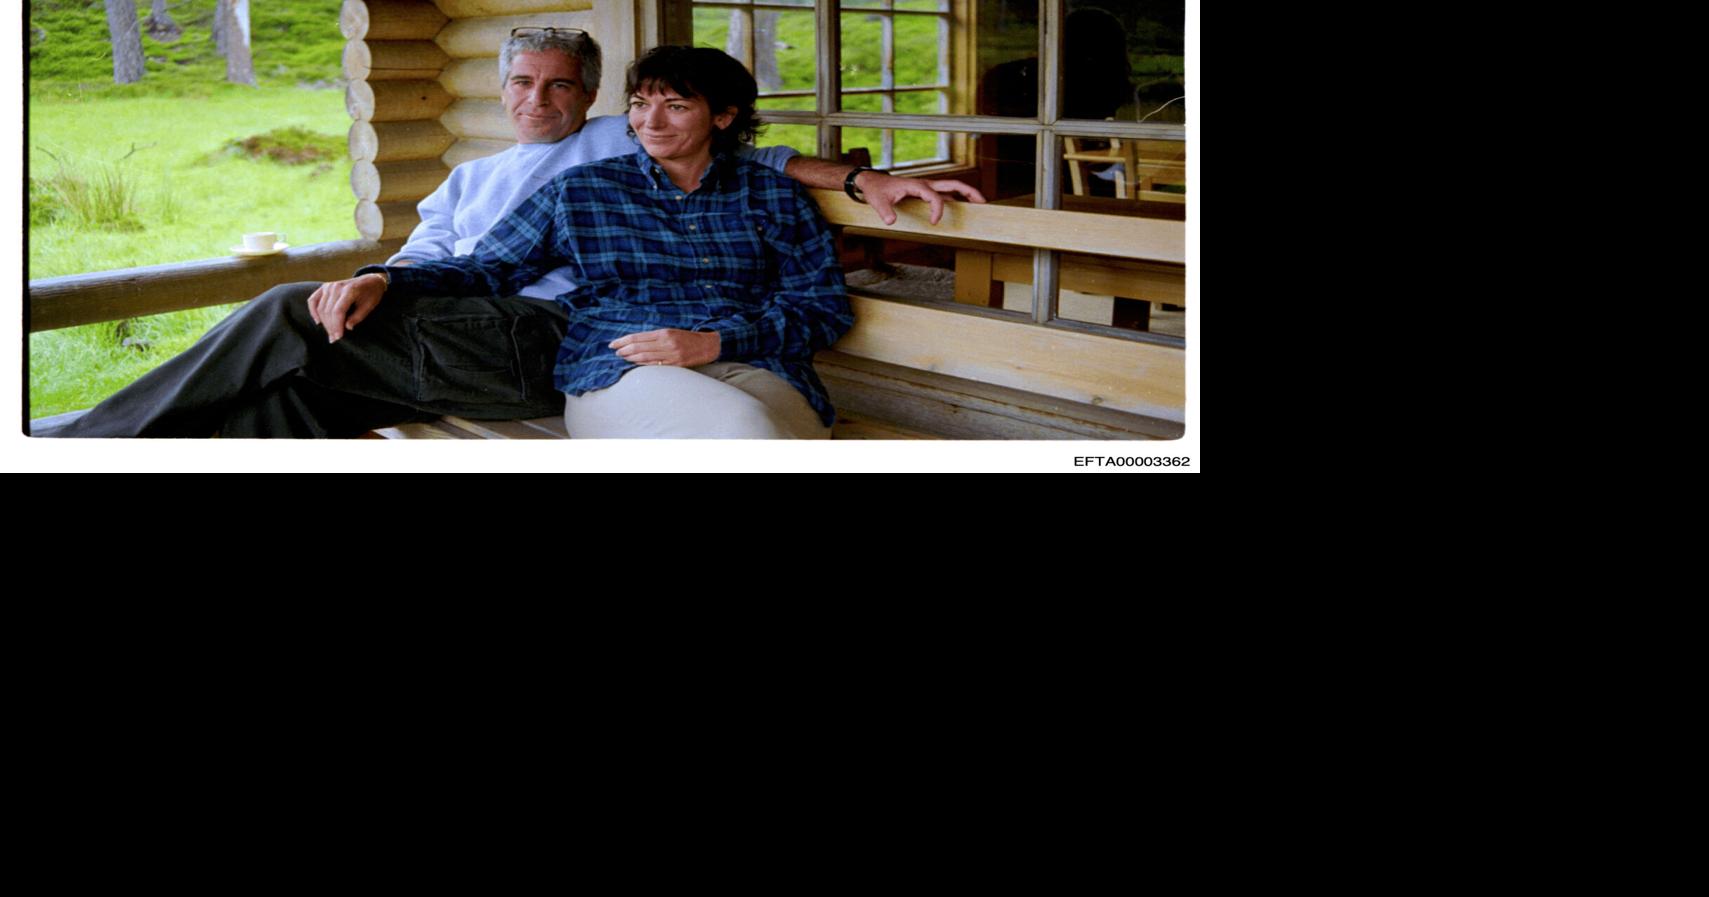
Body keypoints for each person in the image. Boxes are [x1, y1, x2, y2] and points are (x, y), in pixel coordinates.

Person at [35, 28, 980, 438]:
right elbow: (463, 261)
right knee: (304, 388)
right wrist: (383, 276)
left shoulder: (616, 143)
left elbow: (760, 163)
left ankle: (83, 441)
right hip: (471, 326)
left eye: (561, 84)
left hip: (536, 335)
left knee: (289, 316)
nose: (539, 99)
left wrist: (858, 176)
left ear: (587, 93)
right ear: (500, 90)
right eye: (523, 84)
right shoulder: (486, 178)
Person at [368, 45, 850, 438]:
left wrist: (716, 343)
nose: (650, 123)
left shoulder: (773, 195)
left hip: (756, 361)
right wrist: (385, 280)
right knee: (747, 432)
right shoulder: (582, 190)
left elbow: (822, 307)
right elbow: (486, 268)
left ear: (723, 117)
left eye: (676, 107)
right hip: (623, 366)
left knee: (779, 437)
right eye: (640, 105)